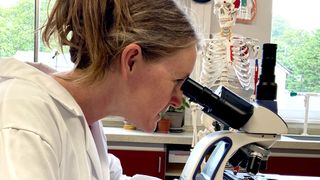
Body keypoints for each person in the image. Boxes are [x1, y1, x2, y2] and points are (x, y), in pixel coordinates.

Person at [0, 0, 199, 179]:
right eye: (177, 81)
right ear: (131, 61)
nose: (178, 100)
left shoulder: (84, 120)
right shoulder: (26, 121)